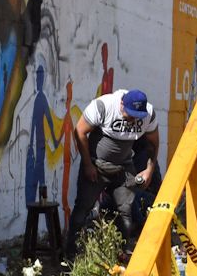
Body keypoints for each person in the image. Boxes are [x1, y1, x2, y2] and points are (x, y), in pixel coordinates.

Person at [68, 86, 160, 247]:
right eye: (130, 114)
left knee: (126, 213)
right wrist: (88, 165)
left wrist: (149, 170)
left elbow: (153, 143)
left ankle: (121, 255)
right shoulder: (104, 106)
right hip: (97, 167)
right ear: (122, 104)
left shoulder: (149, 115)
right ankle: (70, 255)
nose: (133, 119)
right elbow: (80, 131)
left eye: (137, 116)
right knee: (82, 209)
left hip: (123, 168)